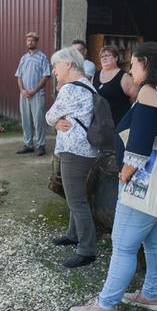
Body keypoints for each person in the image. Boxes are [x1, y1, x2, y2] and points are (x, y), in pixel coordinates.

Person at [69, 42, 157, 311]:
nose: (130, 69)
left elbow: (140, 145)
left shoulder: (149, 91)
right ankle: (151, 294)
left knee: (123, 244)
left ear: (146, 63)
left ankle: (106, 305)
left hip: (150, 179)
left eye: (133, 64)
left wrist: (124, 178)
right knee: (155, 238)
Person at [45, 46, 99, 268]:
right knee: (76, 196)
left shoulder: (69, 90)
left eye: (56, 65)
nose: (54, 71)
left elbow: (49, 115)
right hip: (86, 150)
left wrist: (55, 121)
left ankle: (87, 249)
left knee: (76, 200)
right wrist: (58, 121)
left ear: (68, 64)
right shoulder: (87, 85)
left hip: (74, 152)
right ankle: (73, 233)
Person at [15, 31, 51, 156]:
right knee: (26, 120)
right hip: (24, 94)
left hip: (37, 94)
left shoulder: (42, 57)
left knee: (38, 121)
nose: (30, 42)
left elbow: (46, 75)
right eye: (28, 40)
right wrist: (22, 90)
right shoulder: (23, 58)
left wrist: (34, 90)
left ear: (37, 42)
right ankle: (28, 144)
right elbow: (19, 76)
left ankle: (41, 145)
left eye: (32, 40)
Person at [93, 45, 138, 126]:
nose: (104, 58)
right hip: (99, 124)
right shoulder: (95, 75)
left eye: (107, 55)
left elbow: (134, 96)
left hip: (117, 123)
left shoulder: (124, 77)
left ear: (116, 58)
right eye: (102, 56)